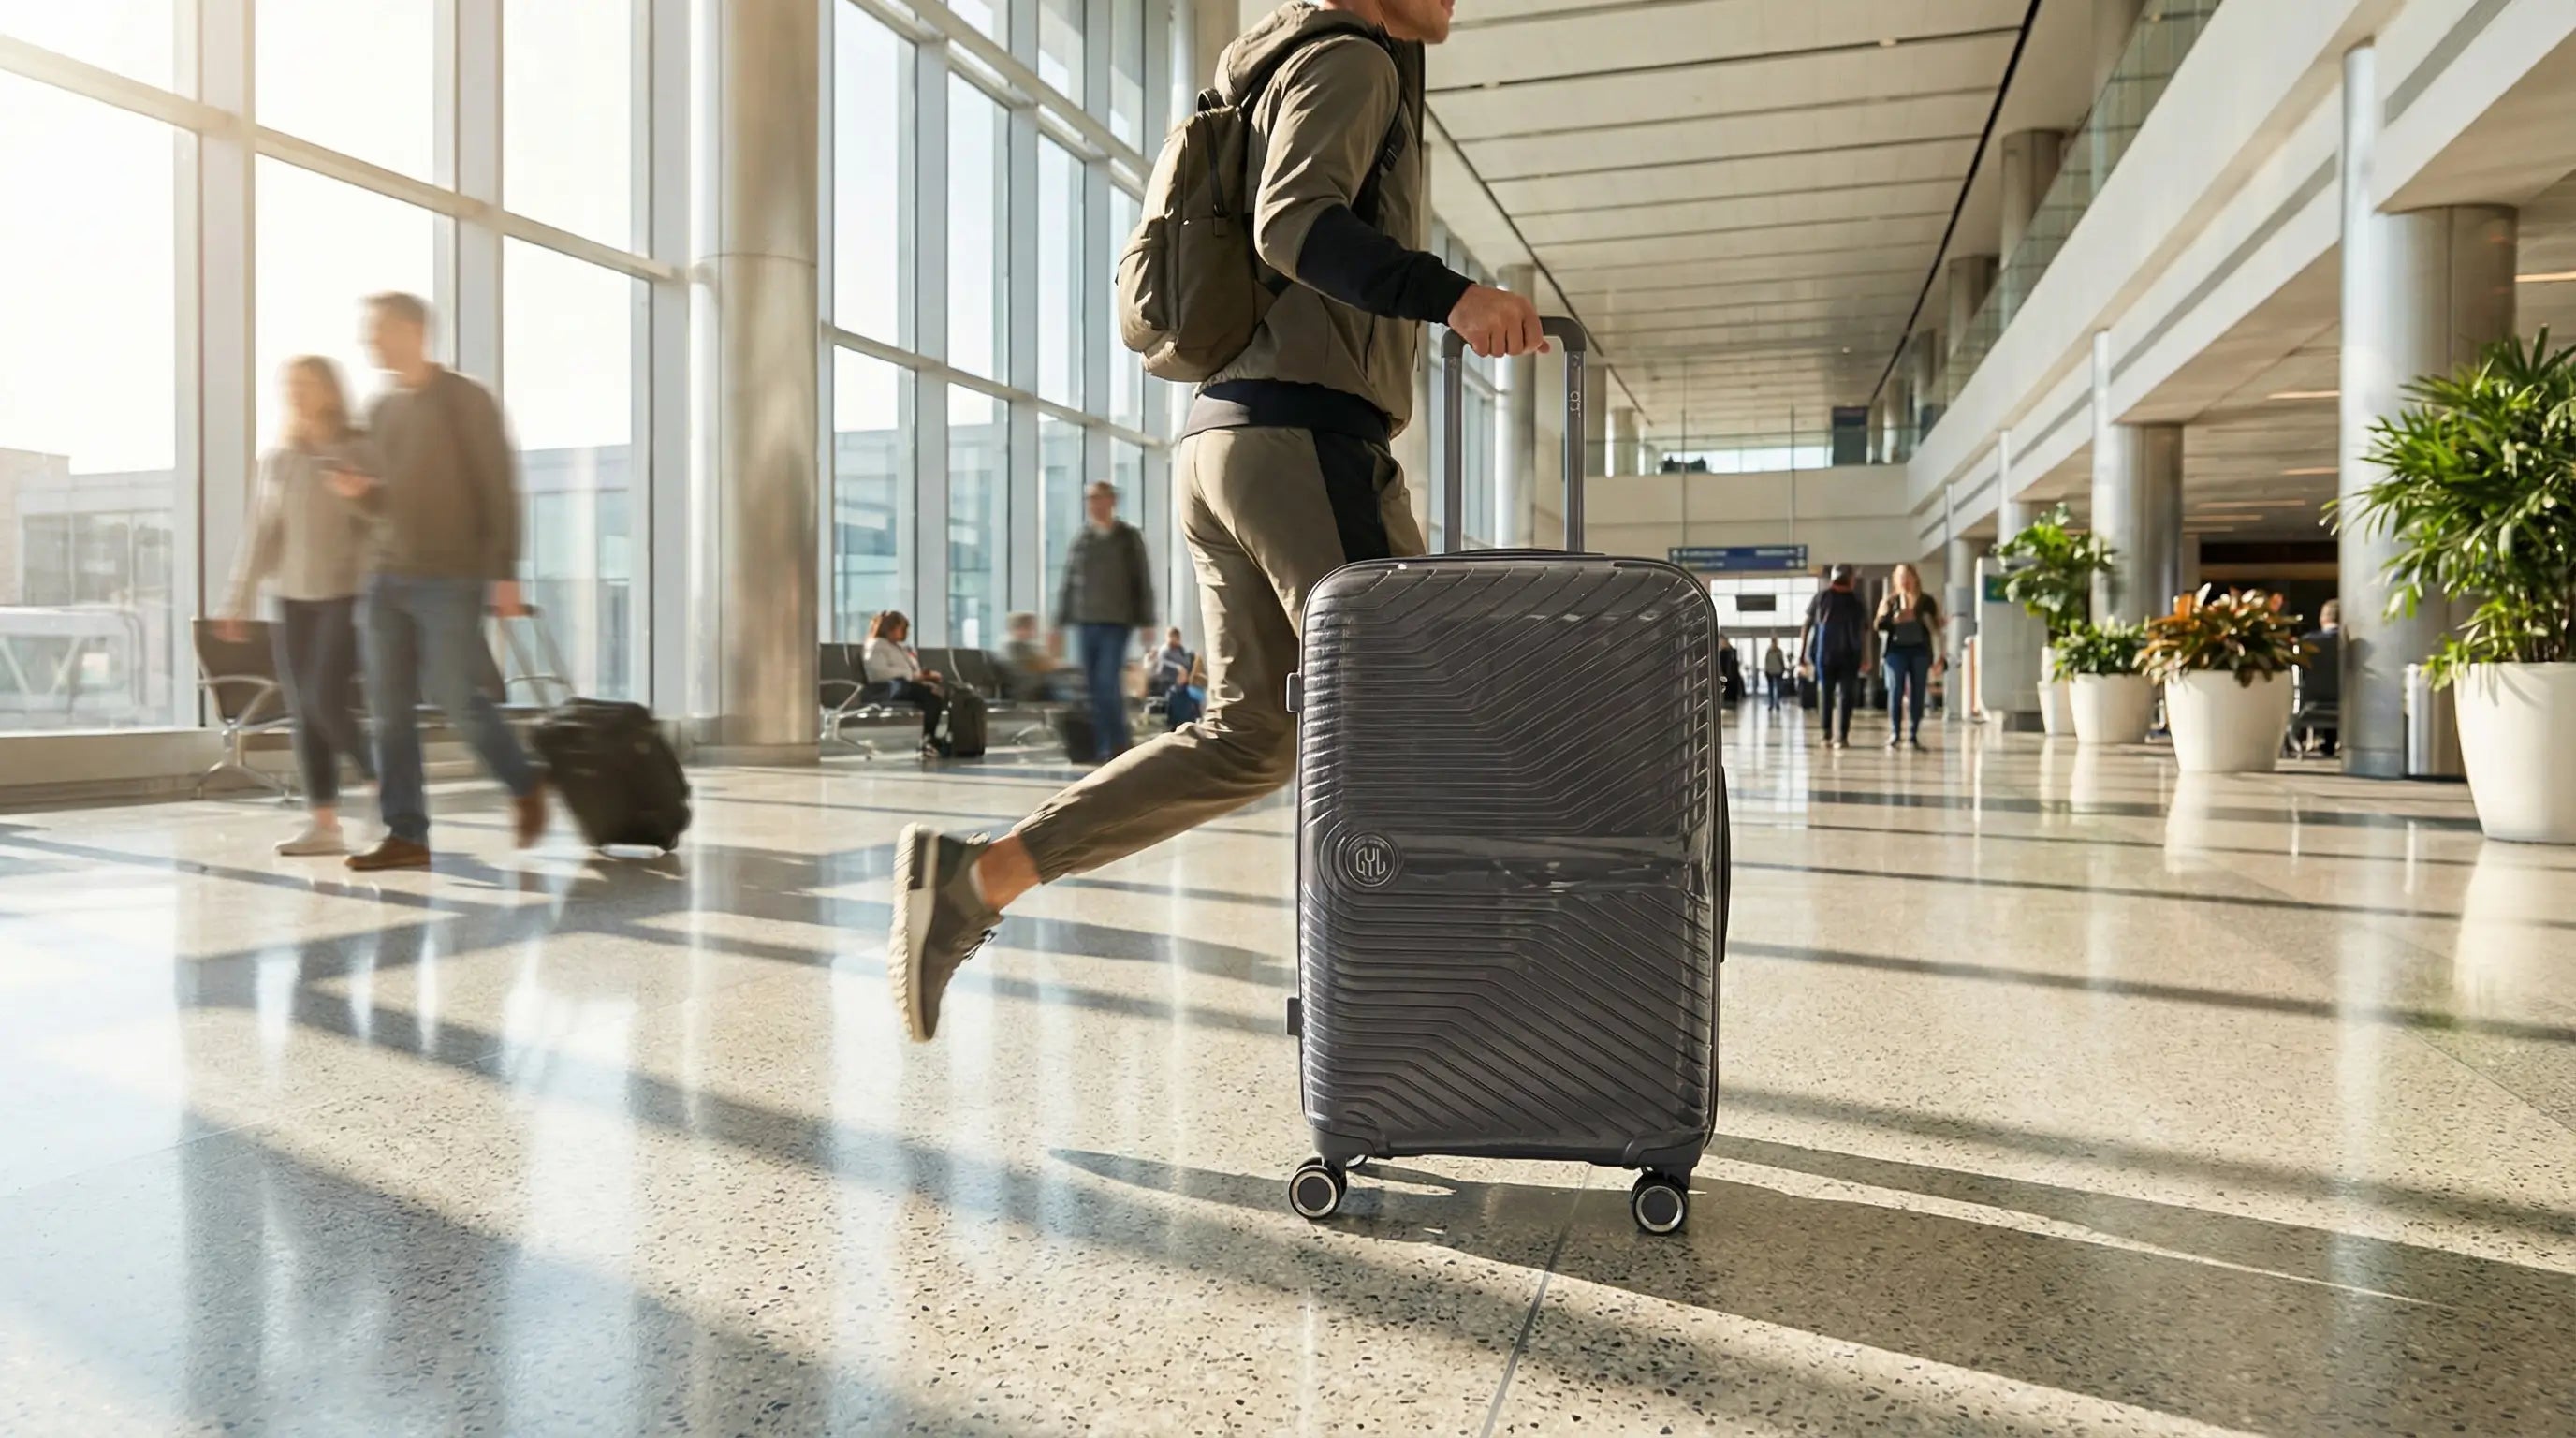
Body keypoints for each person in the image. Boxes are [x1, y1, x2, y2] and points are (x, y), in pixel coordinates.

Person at [887, 0, 1550, 1042]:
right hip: (1304, 440)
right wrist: (1454, 296)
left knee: (1252, 739)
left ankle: (976, 880)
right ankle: (1426, 1005)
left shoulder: (1274, 70)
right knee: (1410, 706)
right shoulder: (1352, 59)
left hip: (1226, 445)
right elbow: (1294, 224)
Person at [328, 292, 547, 871]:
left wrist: (504, 573)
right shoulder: (379, 410)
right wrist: (360, 495)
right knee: (388, 711)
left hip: (451, 575)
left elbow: (498, 487)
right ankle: (406, 833)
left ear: (413, 331)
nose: (369, 342)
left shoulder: (467, 399)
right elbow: (385, 501)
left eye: (378, 330)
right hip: (386, 577)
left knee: (454, 696)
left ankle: (524, 782)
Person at [216, 356, 376, 855]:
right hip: (290, 599)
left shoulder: (356, 449)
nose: (296, 392)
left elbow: (377, 522)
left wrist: (356, 493)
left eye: (306, 384)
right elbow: (261, 531)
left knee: (325, 700)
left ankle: (382, 781)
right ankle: (324, 826)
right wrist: (237, 598)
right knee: (304, 712)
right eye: (290, 385)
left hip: (344, 595)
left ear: (330, 390)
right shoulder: (278, 459)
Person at [1056, 481, 1156, 759]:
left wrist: (1147, 620)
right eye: (1090, 499)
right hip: (1085, 621)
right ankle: (1104, 744)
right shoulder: (1082, 540)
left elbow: (1142, 579)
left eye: (1099, 498)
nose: (1094, 504)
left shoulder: (1128, 538)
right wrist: (1058, 623)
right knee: (1092, 685)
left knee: (1106, 682)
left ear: (1112, 501)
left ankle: (1118, 743)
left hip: (1116, 621)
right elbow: (1069, 582)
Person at [1874, 562, 1942, 750]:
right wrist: (1894, 620)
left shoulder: (1926, 601)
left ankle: (1913, 734)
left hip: (1920, 650)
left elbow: (1936, 627)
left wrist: (1939, 653)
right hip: (1896, 651)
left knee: (1918, 691)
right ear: (1896, 580)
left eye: (1908, 576)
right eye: (1901, 577)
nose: (1905, 581)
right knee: (1895, 690)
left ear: (1915, 578)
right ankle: (1895, 733)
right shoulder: (1890, 601)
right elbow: (1878, 625)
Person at [1802, 564, 1869, 749]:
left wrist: (1803, 655)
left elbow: (1807, 626)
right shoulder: (1854, 600)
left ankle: (1830, 735)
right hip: (1843, 654)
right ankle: (1838, 736)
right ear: (1851, 579)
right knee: (1842, 695)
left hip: (1829, 654)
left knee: (1829, 694)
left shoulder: (1824, 597)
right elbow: (1863, 631)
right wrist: (1865, 656)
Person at [861, 610, 948, 751]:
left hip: (904, 685)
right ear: (890, 628)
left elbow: (910, 672)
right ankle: (929, 738)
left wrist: (923, 676)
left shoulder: (900, 648)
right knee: (931, 695)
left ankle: (933, 737)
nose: (906, 633)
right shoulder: (876, 645)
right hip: (885, 689)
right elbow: (878, 674)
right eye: (902, 629)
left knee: (936, 694)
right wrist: (912, 676)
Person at [2299, 599, 2343, 756]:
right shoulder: (2350, 644)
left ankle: (2298, 741)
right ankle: (2330, 741)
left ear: (2323, 618)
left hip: (2311, 698)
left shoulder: (2307, 642)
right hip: (2344, 699)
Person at [1147, 627, 1195, 698]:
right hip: (1168, 683)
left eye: (1176, 637)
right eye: (1171, 636)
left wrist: (1191, 658)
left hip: (1183, 683)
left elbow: (1186, 662)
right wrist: (1177, 667)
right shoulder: (1164, 650)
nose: (1173, 639)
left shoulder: (1180, 649)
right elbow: (1162, 664)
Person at [1762, 638, 1787, 711]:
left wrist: (1783, 669)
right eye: (1773, 642)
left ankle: (1777, 703)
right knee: (1770, 689)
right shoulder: (1769, 651)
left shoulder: (1779, 651)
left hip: (1778, 672)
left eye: (1775, 642)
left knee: (1779, 688)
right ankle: (1771, 704)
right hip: (1770, 672)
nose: (1774, 644)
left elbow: (1782, 661)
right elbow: (1766, 661)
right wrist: (1766, 670)